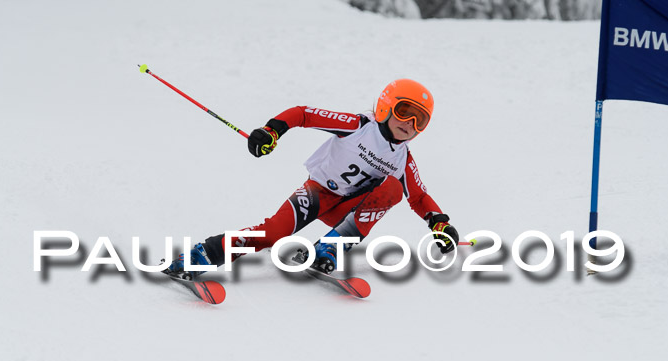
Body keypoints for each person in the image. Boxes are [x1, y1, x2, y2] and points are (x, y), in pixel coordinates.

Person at [165, 78, 459, 277]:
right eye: (404, 111)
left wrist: (439, 223)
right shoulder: (357, 125)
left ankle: (330, 246)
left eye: (419, 119)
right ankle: (204, 254)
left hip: (348, 211)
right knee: (273, 233)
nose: (410, 124)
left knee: (393, 189)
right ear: (385, 106)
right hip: (318, 194)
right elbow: (303, 113)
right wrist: (272, 130)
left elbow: (419, 197)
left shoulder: (403, 159)